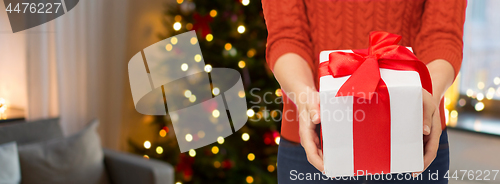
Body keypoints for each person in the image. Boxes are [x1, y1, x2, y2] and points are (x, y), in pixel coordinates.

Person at [262, 0, 466, 183]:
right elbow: (286, 37)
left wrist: (430, 91)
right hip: (314, 138)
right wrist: (304, 95)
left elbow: (443, 36)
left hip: (414, 130)